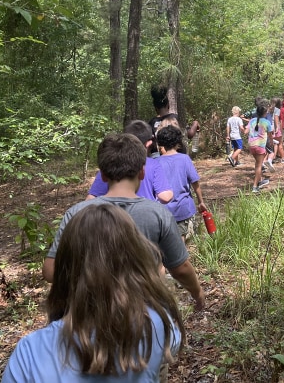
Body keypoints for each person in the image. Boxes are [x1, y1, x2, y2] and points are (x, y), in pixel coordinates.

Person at [3, 203, 184, 383]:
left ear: (66, 265)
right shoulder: (158, 325)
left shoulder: (29, 354)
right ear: (134, 260)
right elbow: (173, 343)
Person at [42, 133, 205, 312]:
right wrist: (197, 293)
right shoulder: (157, 213)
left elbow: (50, 272)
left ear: (103, 175)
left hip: (90, 313)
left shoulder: (76, 213)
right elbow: (180, 268)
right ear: (142, 172)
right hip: (144, 312)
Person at [87, 120, 172, 203]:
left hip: (114, 211)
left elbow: (91, 198)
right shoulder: (153, 165)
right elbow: (165, 197)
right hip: (146, 210)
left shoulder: (110, 163)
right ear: (149, 143)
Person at [155, 125, 208, 242]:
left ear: (160, 143)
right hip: (183, 210)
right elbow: (195, 184)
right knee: (180, 245)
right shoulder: (184, 159)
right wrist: (201, 202)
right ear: (177, 142)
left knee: (166, 245)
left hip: (162, 212)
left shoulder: (155, 162)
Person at [149, 86, 200, 152]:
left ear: (155, 108)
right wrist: (195, 123)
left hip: (159, 156)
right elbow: (190, 134)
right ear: (168, 105)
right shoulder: (176, 118)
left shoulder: (152, 122)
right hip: (178, 154)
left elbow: (151, 142)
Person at [245, 100, 272, 194]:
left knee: (257, 164)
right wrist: (271, 143)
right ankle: (255, 186)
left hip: (251, 145)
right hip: (260, 146)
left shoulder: (252, 120)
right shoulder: (267, 122)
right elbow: (270, 135)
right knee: (259, 166)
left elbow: (246, 131)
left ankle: (260, 181)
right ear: (265, 112)